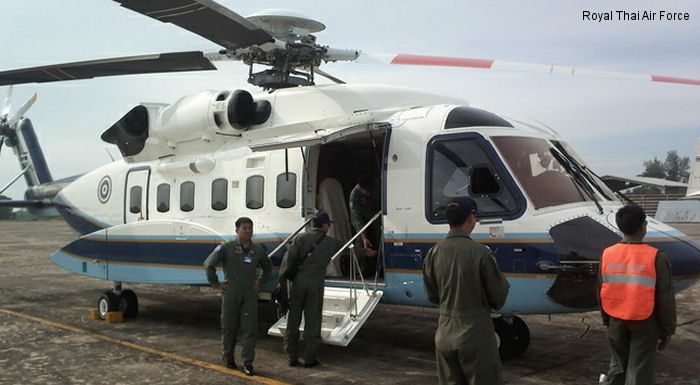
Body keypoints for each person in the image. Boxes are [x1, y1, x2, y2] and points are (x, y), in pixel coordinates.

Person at [422, 197, 510, 385]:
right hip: (475, 333)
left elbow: (432, 295)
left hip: (444, 332)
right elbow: (498, 296)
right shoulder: (480, 253)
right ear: (470, 219)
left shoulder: (434, 252)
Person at [598, 205, 676, 385]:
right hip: (644, 321)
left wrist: (606, 321)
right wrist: (667, 330)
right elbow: (665, 298)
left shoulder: (607, 254)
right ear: (643, 226)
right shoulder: (655, 256)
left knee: (617, 367)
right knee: (639, 370)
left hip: (615, 318)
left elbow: (600, 289)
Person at [203, 217, 272, 376]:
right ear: (237, 230)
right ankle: (228, 358)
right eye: (245, 228)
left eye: (250, 228)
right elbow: (208, 265)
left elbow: (267, 268)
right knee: (229, 328)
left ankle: (247, 363)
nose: (248, 231)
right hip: (231, 293)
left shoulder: (257, 250)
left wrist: (259, 283)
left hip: (249, 294)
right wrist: (216, 284)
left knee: (249, 330)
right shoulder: (226, 248)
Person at [278, 211, 342, 368]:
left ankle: (291, 357)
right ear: (325, 225)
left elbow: (288, 261)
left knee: (293, 321)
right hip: (315, 286)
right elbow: (348, 247)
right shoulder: (330, 242)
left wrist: (281, 282)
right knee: (312, 322)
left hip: (298, 285)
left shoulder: (300, 238)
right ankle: (310, 358)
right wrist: (366, 251)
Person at [349, 175, 381, 277]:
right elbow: (356, 218)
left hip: (376, 216)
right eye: (367, 192)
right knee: (361, 244)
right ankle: (361, 272)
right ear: (361, 188)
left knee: (379, 239)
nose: (369, 194)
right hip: (362, 221)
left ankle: (380, 269)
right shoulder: (354, 196)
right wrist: (363, 237)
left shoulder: (377, 184)